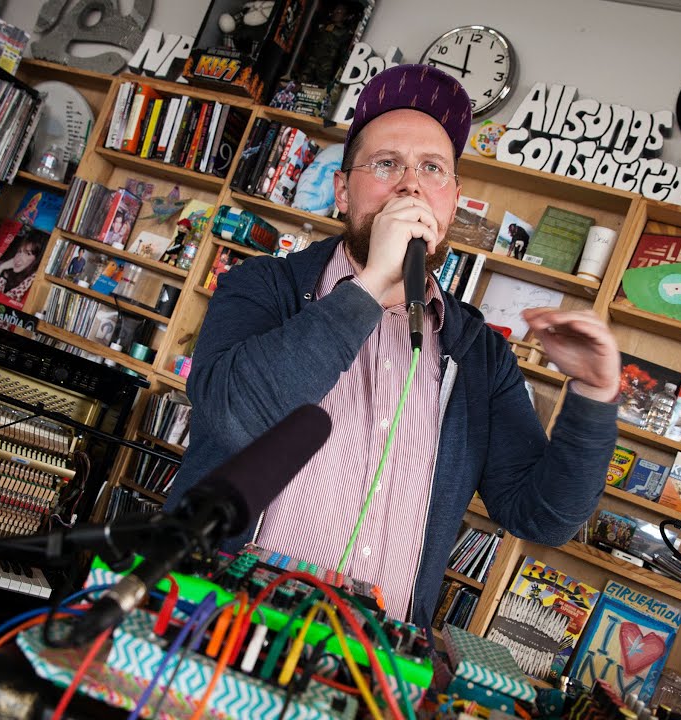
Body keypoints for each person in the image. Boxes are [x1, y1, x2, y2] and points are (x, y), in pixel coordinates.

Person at [165, 64, 620, 627]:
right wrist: (369, 285)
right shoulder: (263, 286)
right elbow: (231, 413)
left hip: (369, 662)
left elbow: (541, 516)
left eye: (432, 168)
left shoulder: (479, 353)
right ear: (341, 191)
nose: (410, 184)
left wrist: (594, 397)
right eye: (386, 165)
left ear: (451, 202)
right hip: (214, 620)